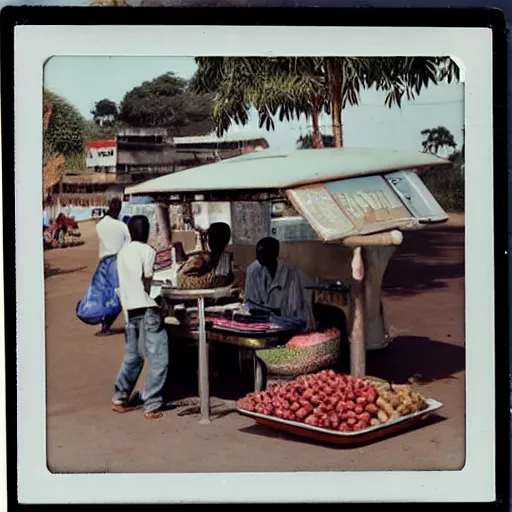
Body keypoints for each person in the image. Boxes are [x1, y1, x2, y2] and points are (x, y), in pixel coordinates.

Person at [112, 215, 169, 420]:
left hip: (129, 309)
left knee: (133, 357)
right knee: (158, 358)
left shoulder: (122, 253)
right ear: (146, 232)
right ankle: (152, 403)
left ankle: (120, 397)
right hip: (147, 307)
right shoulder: (147, 251)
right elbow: (148, 277)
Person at [244, 237, 313, 331]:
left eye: (264, 253)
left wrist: (275, 315)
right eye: (258, 253)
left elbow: (294, 311)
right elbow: (250, 302)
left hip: (288, 323)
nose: (260, 257)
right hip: (263, 323)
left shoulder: (290, 274)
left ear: (275, 253)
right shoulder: (253, 270)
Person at [94, 197, 130, 336]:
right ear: (120, 209)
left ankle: (104, 323)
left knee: (104, 295)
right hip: (117, 261)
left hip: (103, 262)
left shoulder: (100, 225)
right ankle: (108, 324)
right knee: (119, 295)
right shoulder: (121, 226)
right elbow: (128, 243)